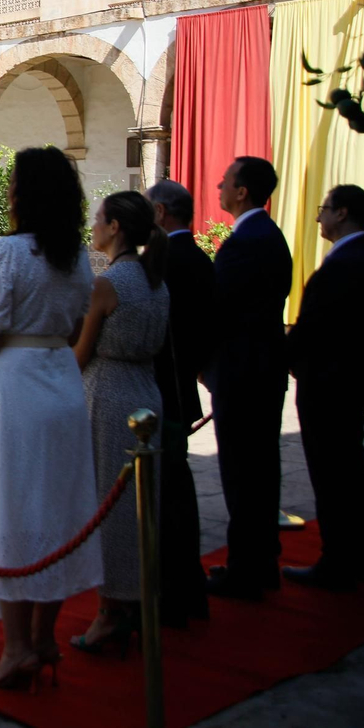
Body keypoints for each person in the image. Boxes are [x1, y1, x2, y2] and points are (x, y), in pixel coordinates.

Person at [0, 146, 102, 691]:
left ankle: (17, 647)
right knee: (57, 510)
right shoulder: (77, 256)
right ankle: (44, 636)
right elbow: (73, 328)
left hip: (15, 382)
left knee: (14, 511)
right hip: (60, 380)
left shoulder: (9, 251)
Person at [71, 191, 169, 653]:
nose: (93, 226)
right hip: (147, 391)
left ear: (115, 228)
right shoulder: (154, 279)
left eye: (99, 220)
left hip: (109, 394)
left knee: (111, 508)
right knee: (139, 505)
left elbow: (82, 352)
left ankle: (111, 610)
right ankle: (138, 601)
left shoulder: (109, 284)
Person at [283, 185, 364, 591]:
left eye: (324, 210)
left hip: (329, 384)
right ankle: (358, 555)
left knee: (333, 474)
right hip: (347, 383)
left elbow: (315, 327)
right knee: (349, 471)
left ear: (342, 213)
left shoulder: (346, 264)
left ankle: (340, 560)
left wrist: (287, 358)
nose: (319, 218)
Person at [206, 156, 293, 601]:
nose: (219, 186)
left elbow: (221, 309)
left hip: (244, 372)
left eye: (225, 182)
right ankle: (258, 560)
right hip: (258, 369)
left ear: (242, 191)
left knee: (244, 472)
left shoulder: (247, 242)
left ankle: (249, 567)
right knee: (257, 470)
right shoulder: (265, 235)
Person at [145, 179, 213, 626]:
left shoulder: (164, 262)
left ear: (161, 214)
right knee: (175, 492)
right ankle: (185, 587)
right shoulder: (201, 258)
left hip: (160, 395)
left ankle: (170, 592)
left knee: (163, 498)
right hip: (181, 388)